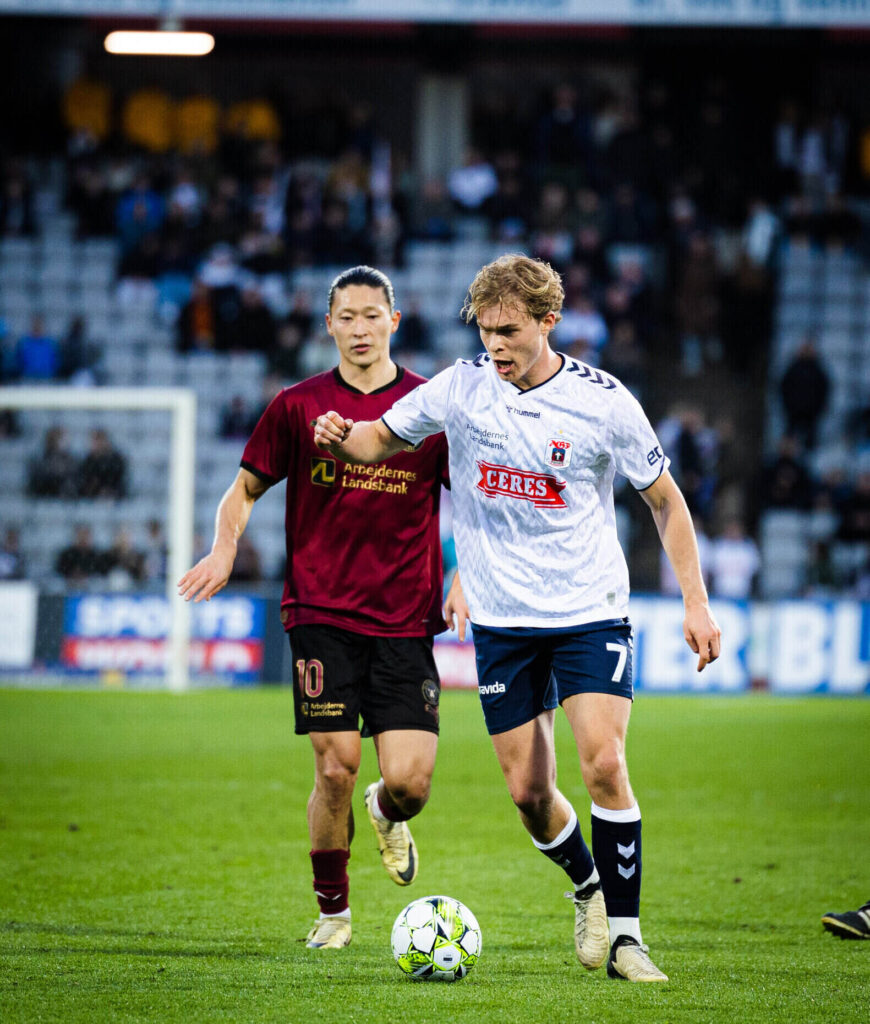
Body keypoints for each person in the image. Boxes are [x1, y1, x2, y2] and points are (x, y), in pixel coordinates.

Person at [314, 253, 721, 983]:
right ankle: (589, 887)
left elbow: (666, 499)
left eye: (508, 330)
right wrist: (345, 433)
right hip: (503, 622)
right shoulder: (463, 387)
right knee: (531, 796)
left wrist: (696, 601)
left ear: (547, 321)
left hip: (588, 610)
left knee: (603, 762)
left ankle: (628, 940)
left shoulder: (604, 402)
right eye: (485, 330)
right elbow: (383, 438)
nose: (494, 345)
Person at [178, 265, 450, 951]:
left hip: (405, 615)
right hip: (320, 610)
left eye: (371, 315)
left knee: (409, 784)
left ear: (395, 320)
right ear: (328, 325)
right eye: (346, 316)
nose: (359, 329)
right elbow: (242, 490)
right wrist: (223, 548)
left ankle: (388, 816)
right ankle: (333, 913)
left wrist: (466, 576)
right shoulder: (297, 406)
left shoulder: (428, 409)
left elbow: (474, 506)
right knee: (335, 767)